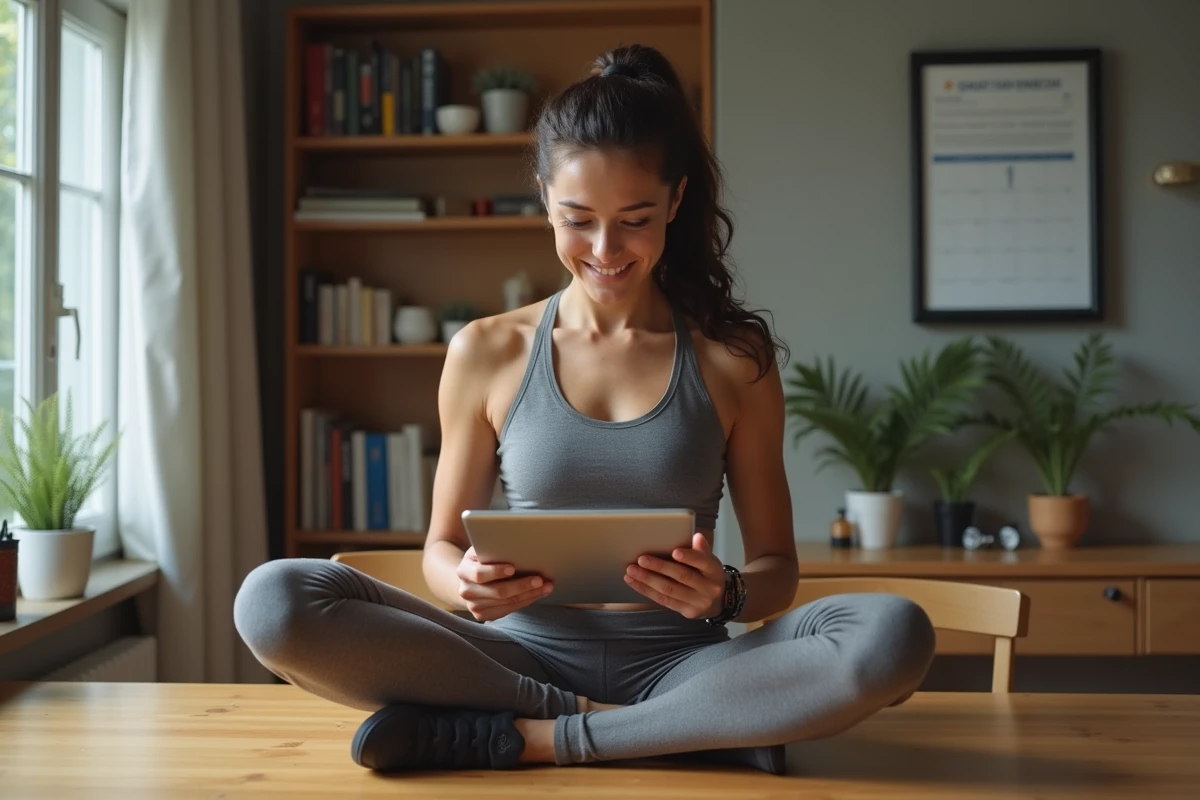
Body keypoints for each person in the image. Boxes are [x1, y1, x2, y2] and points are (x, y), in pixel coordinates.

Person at [234, 44, 935, 776]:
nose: (605, 249)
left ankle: (536, 739)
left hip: (683, 666)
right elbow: (439, 551)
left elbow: (778, 571)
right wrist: (465, 582)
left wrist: (726, 591)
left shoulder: (734, 358)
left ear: (675, 199)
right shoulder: (486, 351)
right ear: (544, 199)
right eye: (578, 220)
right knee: (273, 599)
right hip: (511, 659)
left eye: (634, 219)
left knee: (891, 633)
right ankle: (670, 733)